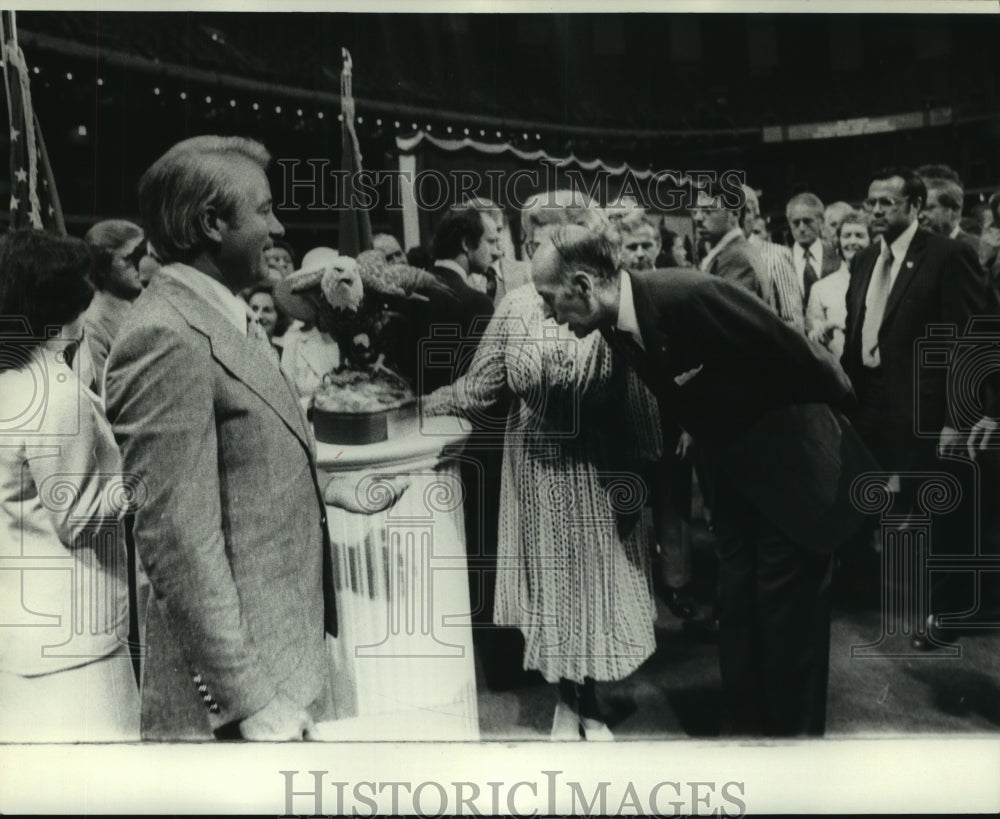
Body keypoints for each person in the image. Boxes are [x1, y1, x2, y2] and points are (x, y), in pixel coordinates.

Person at [104, 135, 406, 741]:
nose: (278, 224)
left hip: (283, 660)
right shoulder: (165, 335)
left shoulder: (220, 314)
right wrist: (249, 700)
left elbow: (233, 462)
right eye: (264, 209)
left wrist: (327, 489)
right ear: (212, 223)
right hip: (246, 700)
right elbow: (176, 539)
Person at [532, 224, 878, 736]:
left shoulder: (688, 295)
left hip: (793, 473)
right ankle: (749, 740)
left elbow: (801, 355)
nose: (546, 313)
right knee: (740, 613)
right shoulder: (612, 323)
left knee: (789, 625)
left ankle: (797, 759)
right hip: (735, 475)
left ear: (583, 286)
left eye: (549, 298)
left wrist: (838, 438)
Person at [424, 221, 663, 742]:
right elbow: (480, 386)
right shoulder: (513, 308)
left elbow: (641, 395)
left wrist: (647, 468)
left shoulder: (607, 308)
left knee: (595, 591)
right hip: (534, 470)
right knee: (554, 591)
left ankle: (592, 700)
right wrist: (418, 405)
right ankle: (567, 701)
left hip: (597, 469)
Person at [842, 166, 993, 650]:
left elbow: (974, 339)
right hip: (870, 403)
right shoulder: (865, 260)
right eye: (871, 202)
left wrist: (959, 416)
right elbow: (856, 335)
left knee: (945, 516)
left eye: (887, 202)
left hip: (929, 414)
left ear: (914, 206)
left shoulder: (948, 255)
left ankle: (949, 614)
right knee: (864, 497)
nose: (877, 210)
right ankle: (865, 587)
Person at [0, 229, 140, 742]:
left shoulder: (10, 382)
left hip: (20, 640)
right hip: (79, 647)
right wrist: (141, 478)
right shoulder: (57, 392)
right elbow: (78, 518)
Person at [81, 219, 146, 393]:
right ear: (102, 267)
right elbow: (105, 399)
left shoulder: (149, 302)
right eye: (128, 259)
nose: (140, 265)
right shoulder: (93, 325)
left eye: (142, 255)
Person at [806, 210, 871, 359]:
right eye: (847, 236)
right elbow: (814, 338)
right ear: (838, 242)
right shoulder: (820, 289)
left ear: (871, 241)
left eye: (859, 236)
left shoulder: (884, 280)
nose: (853, 241)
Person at [692, 182, 766, 299]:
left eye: (708, 210)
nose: (698, 218)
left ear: (735, 213)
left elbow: (733, 315)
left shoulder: (737, 259)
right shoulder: (734, 252)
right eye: (695, 212)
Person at [786, 192, 841, 318]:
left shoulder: (837, 257)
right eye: (796, 222)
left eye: (807, 221)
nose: (802, 228)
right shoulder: (781, 260)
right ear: (789, 224)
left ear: (821, 221)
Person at [245, 282, 290, 356]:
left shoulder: (284, 355)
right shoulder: (238, 342)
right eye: (254, 309)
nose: (259, 316)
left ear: (279, 317)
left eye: (266, 310)